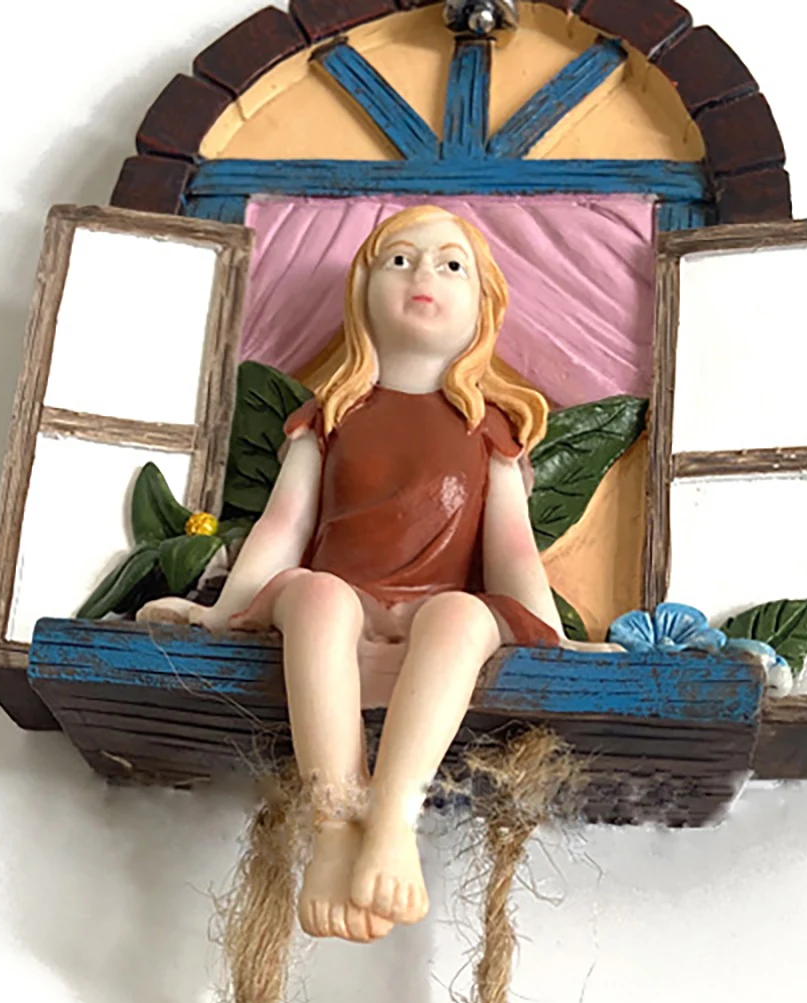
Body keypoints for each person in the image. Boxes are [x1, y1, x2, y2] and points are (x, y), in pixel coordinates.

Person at [140, 205, 594, 943]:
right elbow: (283, 527)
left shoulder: (489, 430)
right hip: (341, 600)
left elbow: (512, 550)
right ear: (363, 289)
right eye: (399, 259)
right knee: (320, 596)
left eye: (452, 264)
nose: (424, 275)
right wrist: (225, 612)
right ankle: (333, 828)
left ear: (483, 303)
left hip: (432, 609)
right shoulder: (330, 417)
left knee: (461, 614)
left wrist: (554, 637)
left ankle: (391, 820)